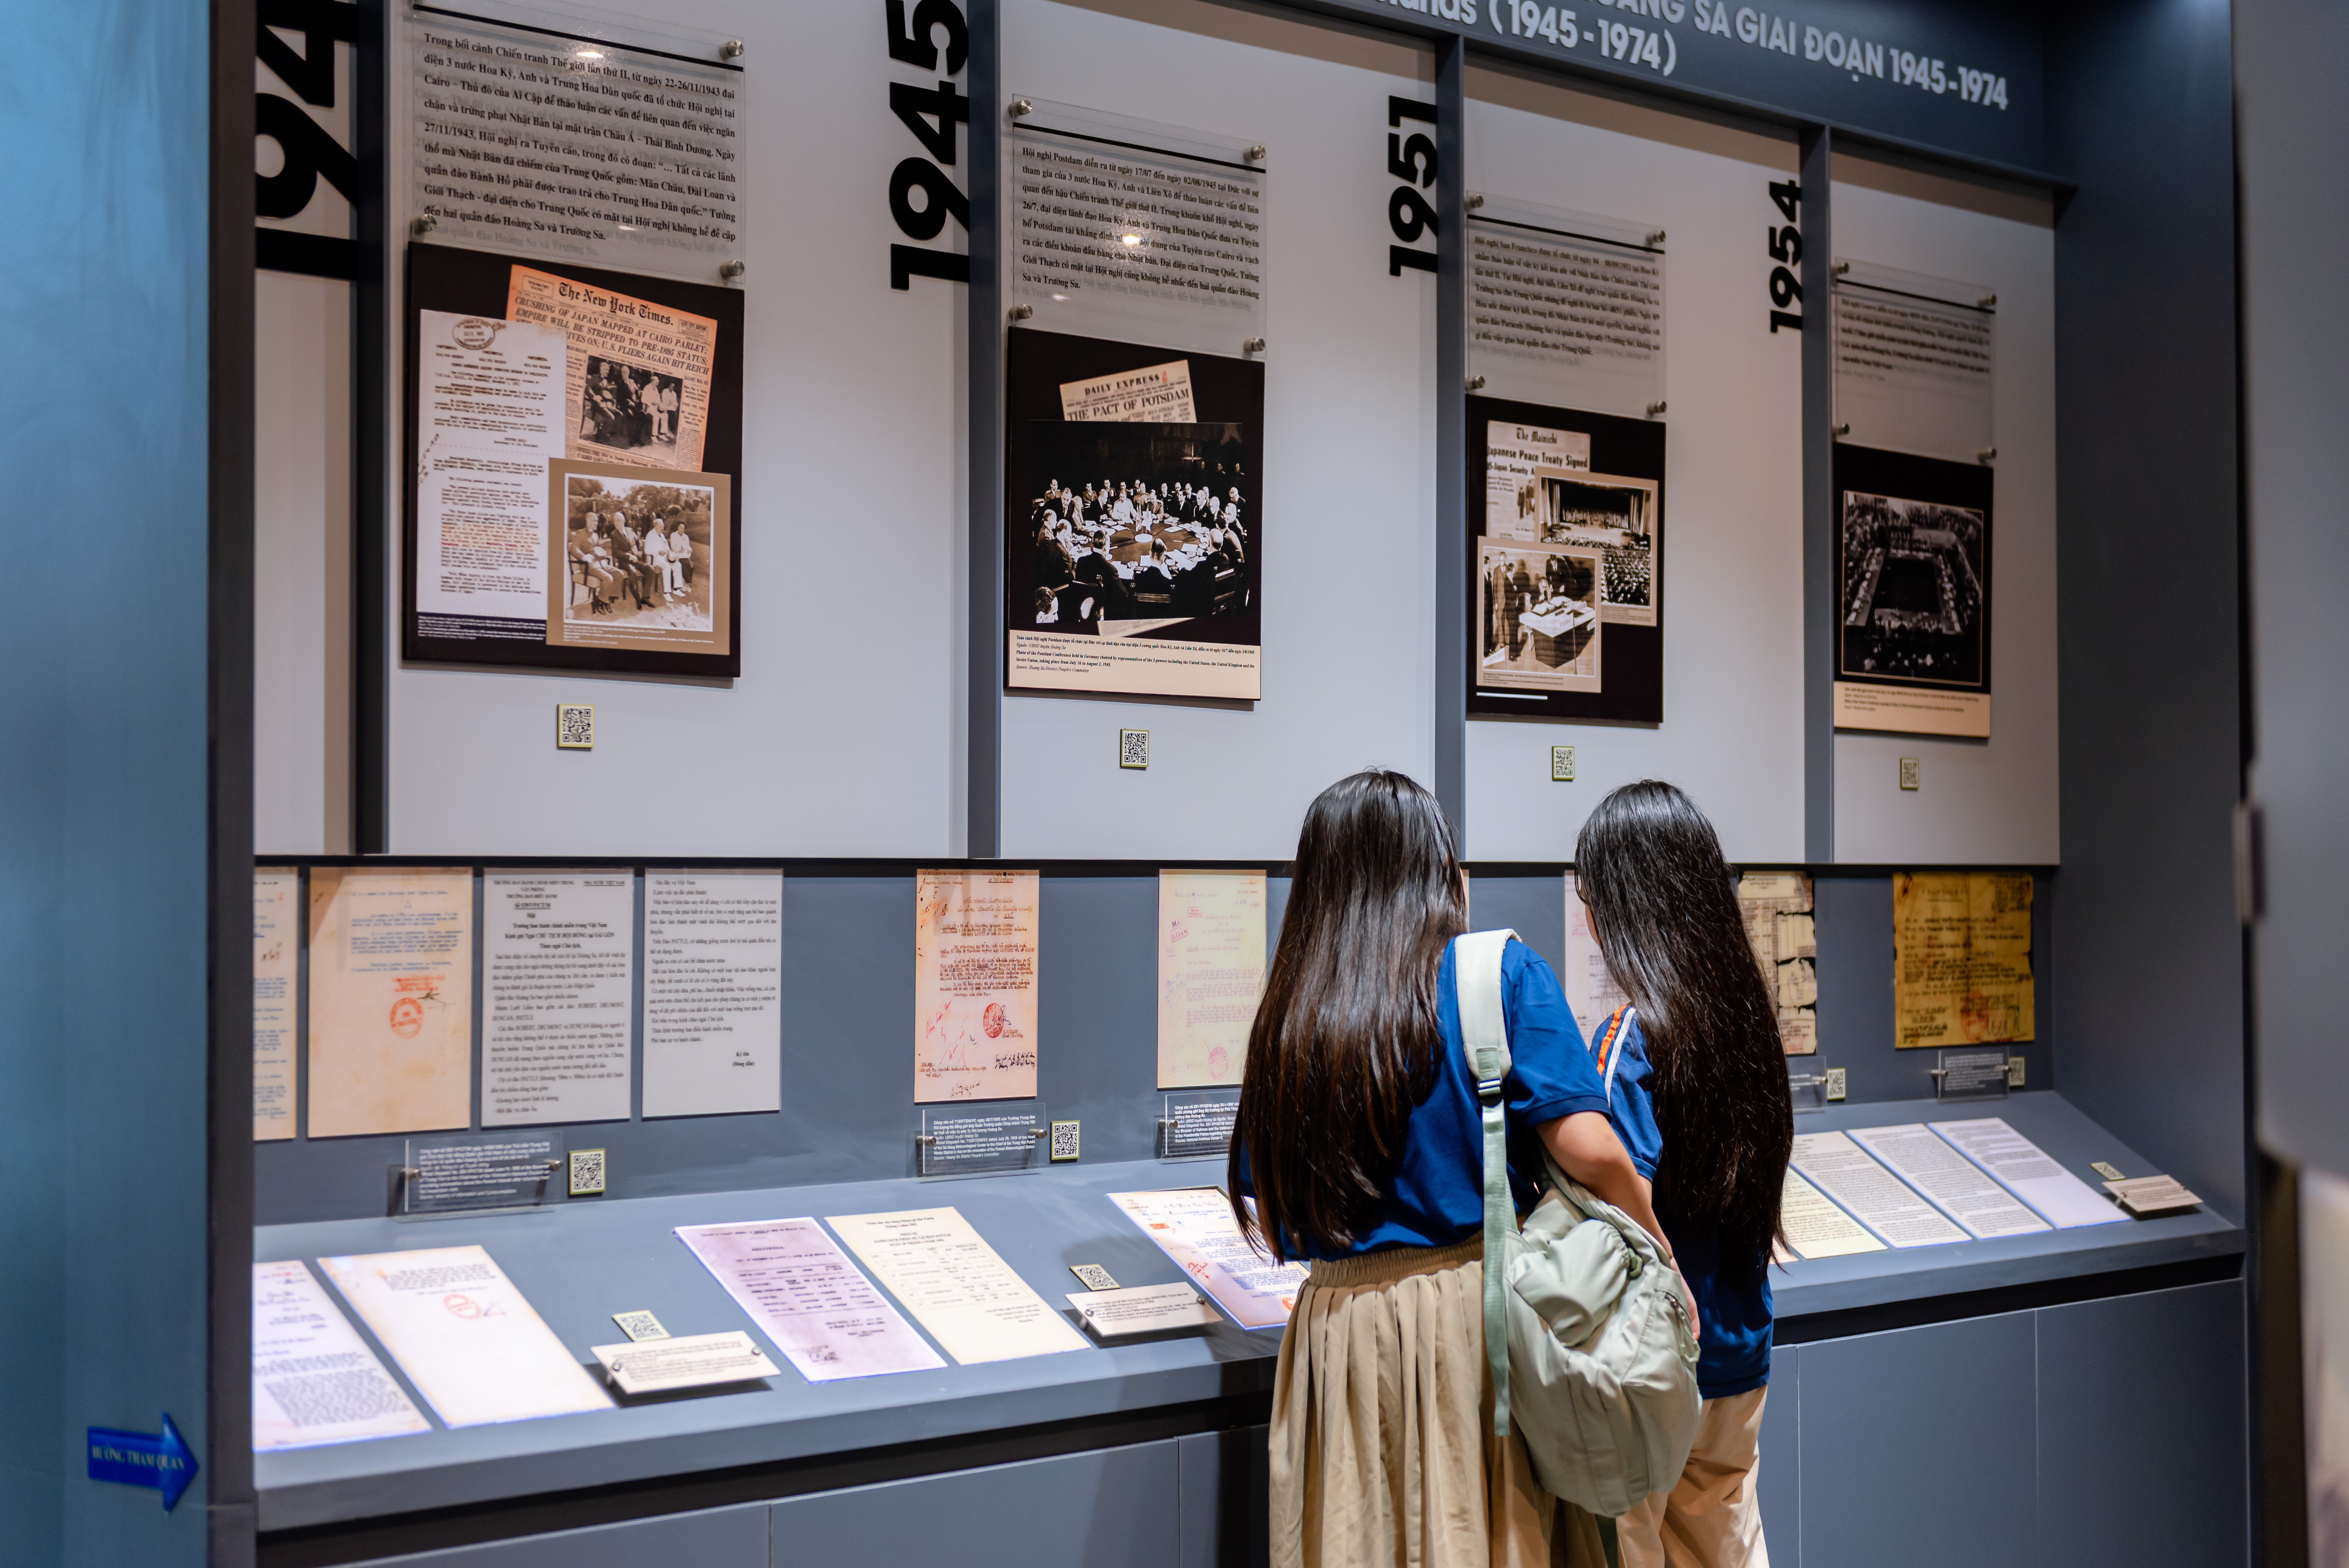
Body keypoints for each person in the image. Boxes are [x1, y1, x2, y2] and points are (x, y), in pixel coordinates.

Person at [1232, 769, 1674, 1568]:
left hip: (1333, 1333)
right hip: (1465, 1318)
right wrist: (1652, 1240)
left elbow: (1263, 1200)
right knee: (1480, 1536)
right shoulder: (1496, 972)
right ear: (1436, 869)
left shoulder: (1291, 1013)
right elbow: (1587, 1146)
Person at [1570, 780, 1794, 1568]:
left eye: (1589, 896)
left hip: (1649, 1366)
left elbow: (1613, 1192)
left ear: (1622, 906)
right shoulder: (1749, 1025)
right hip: (1738, 1354)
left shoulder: (1627, 1037)